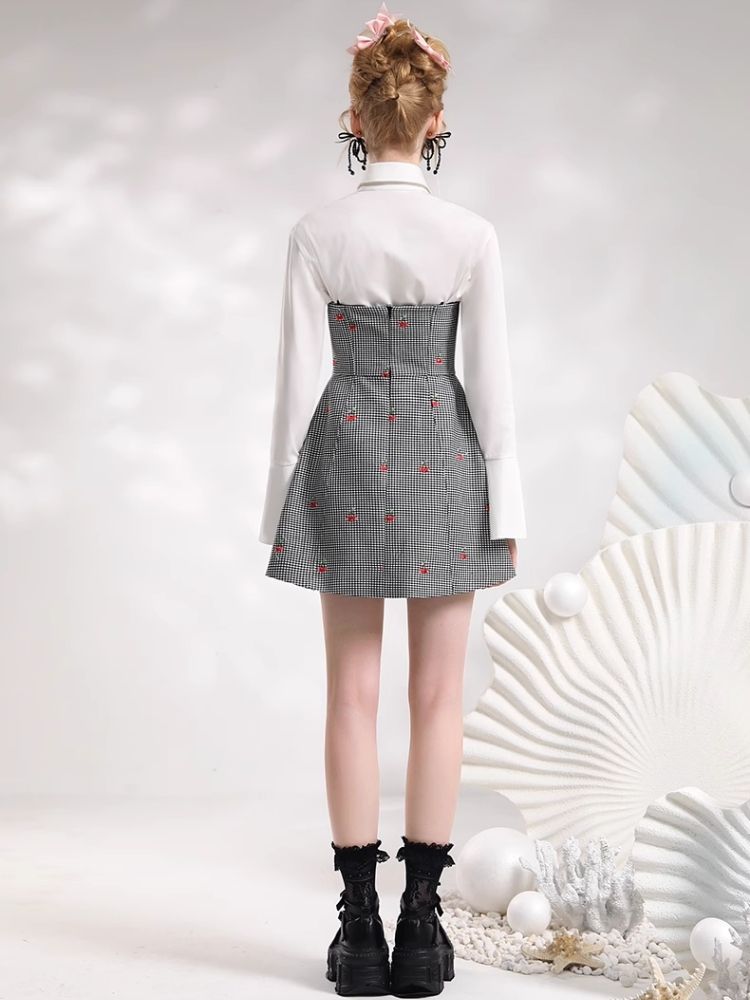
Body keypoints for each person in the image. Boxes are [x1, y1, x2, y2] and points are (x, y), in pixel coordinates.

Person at [258, 4, 527, 995]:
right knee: (439, 696)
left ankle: (358, 929)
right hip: (444, 460)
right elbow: (490, 384)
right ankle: (422, 928)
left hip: (343, 454)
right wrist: (508, 505)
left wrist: (277, 507)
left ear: (355, 120)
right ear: (435, 122)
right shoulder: (470, 234)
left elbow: (297, 386)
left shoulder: (316, 232)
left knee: (352, 693)